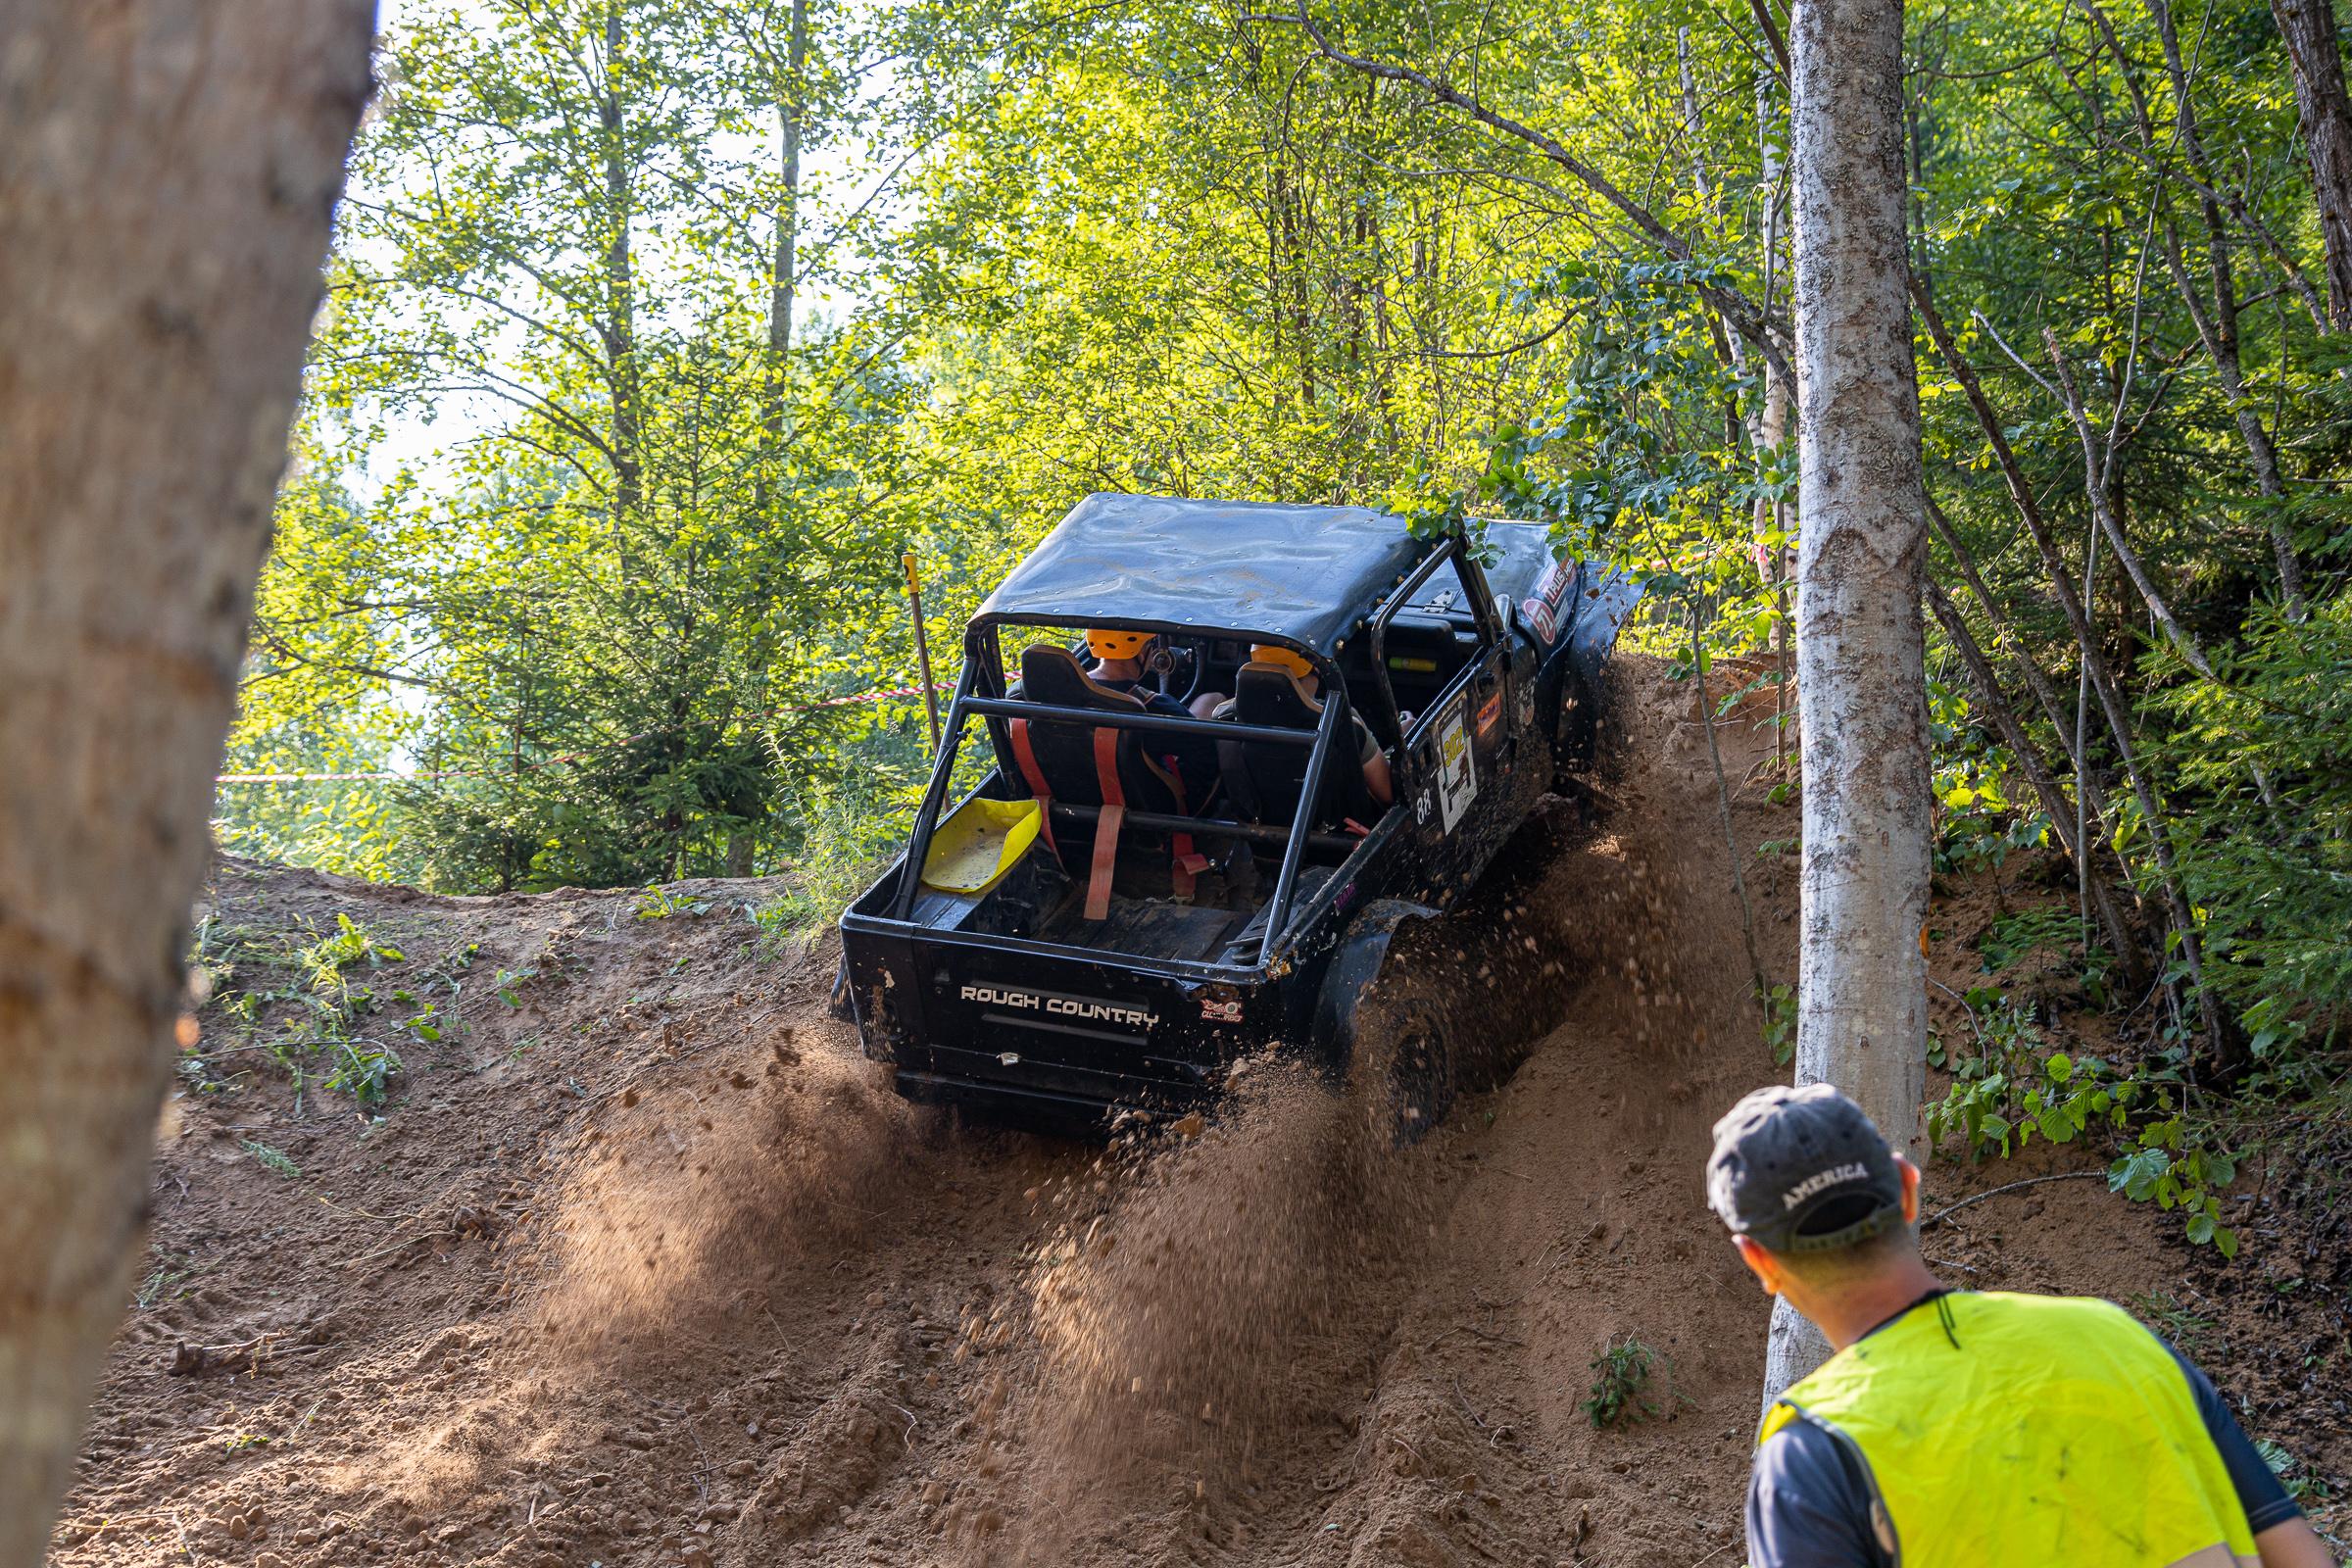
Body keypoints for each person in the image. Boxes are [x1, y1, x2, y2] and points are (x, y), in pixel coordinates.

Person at [1707, 1083, 2332, 1568]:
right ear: (1906, 1188)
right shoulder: (2118, 1339)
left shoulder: (1814, 1451)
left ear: (1759, 1261)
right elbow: (2299, 1555)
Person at [1215, 643, 1393, 808]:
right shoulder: (1342, 721)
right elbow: (1387, 794)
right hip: (1333, 830)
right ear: (1315, 670)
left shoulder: (1225, 716)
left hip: (1255, 827)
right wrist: (1400, 740)